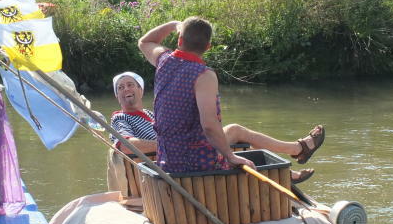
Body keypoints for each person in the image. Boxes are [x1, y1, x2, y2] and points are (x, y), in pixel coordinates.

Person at [138, 18, 325, 174]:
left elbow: (144, 42)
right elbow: (210, 126)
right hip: (194, 162)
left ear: (179, 40)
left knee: (235, 130)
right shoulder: (204, 75)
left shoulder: (163, 60)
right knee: (238, 148)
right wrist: (230, 156)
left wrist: (172, 24)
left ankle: (296, 152)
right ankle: (295, 154)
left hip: (167, 157)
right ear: (208, 47)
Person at [111, 70, 317, 182]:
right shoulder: (120, 119)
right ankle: (297, 149)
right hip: (171, 160)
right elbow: (126, 145)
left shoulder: (151, 113)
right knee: (235, 130)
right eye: (120, 87)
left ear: (140, 90)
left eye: (130, 85)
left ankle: (285, 173)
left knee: (232, 135)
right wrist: (169, 144)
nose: (125, 89)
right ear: (117, 95)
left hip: (185, 150)